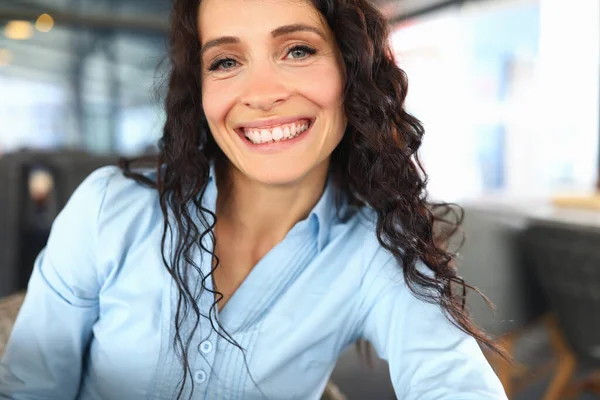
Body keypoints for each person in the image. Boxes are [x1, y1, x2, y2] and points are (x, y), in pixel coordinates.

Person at [0, 0, 508, 399]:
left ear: (352, 69)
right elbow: (30, 389)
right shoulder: (109, 209)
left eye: (298, 50)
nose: (262, 93)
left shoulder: (375, 252)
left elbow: (453, 382)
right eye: (225, 61)